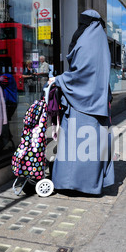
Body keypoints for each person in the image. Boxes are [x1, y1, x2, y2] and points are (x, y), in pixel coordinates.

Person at [48, 10, 114, 195]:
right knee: (92, 146)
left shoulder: (87, 41)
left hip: (81, 103)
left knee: (76, 144)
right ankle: (90, 184)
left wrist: (60, 80)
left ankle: (71, 184)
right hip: (97, 102)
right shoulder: (100, 40)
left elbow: (81, 73)